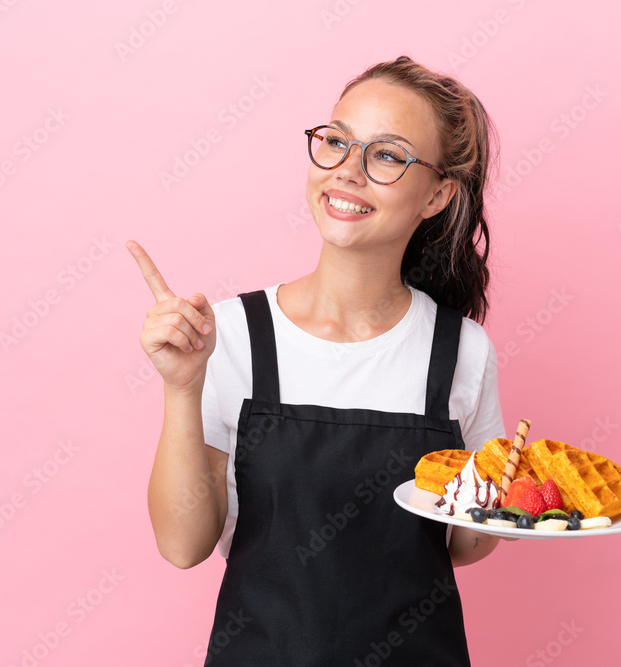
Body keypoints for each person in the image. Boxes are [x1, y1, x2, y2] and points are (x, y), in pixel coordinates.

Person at [128, 55, 505, 666]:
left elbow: (463, 546)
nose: (348, 172)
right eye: (336, 142)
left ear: (437, 194)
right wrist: (181, 389)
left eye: (386, 155)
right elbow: (182, 546)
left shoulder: (461, 350)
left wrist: (506, 496)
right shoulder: (230, 333)